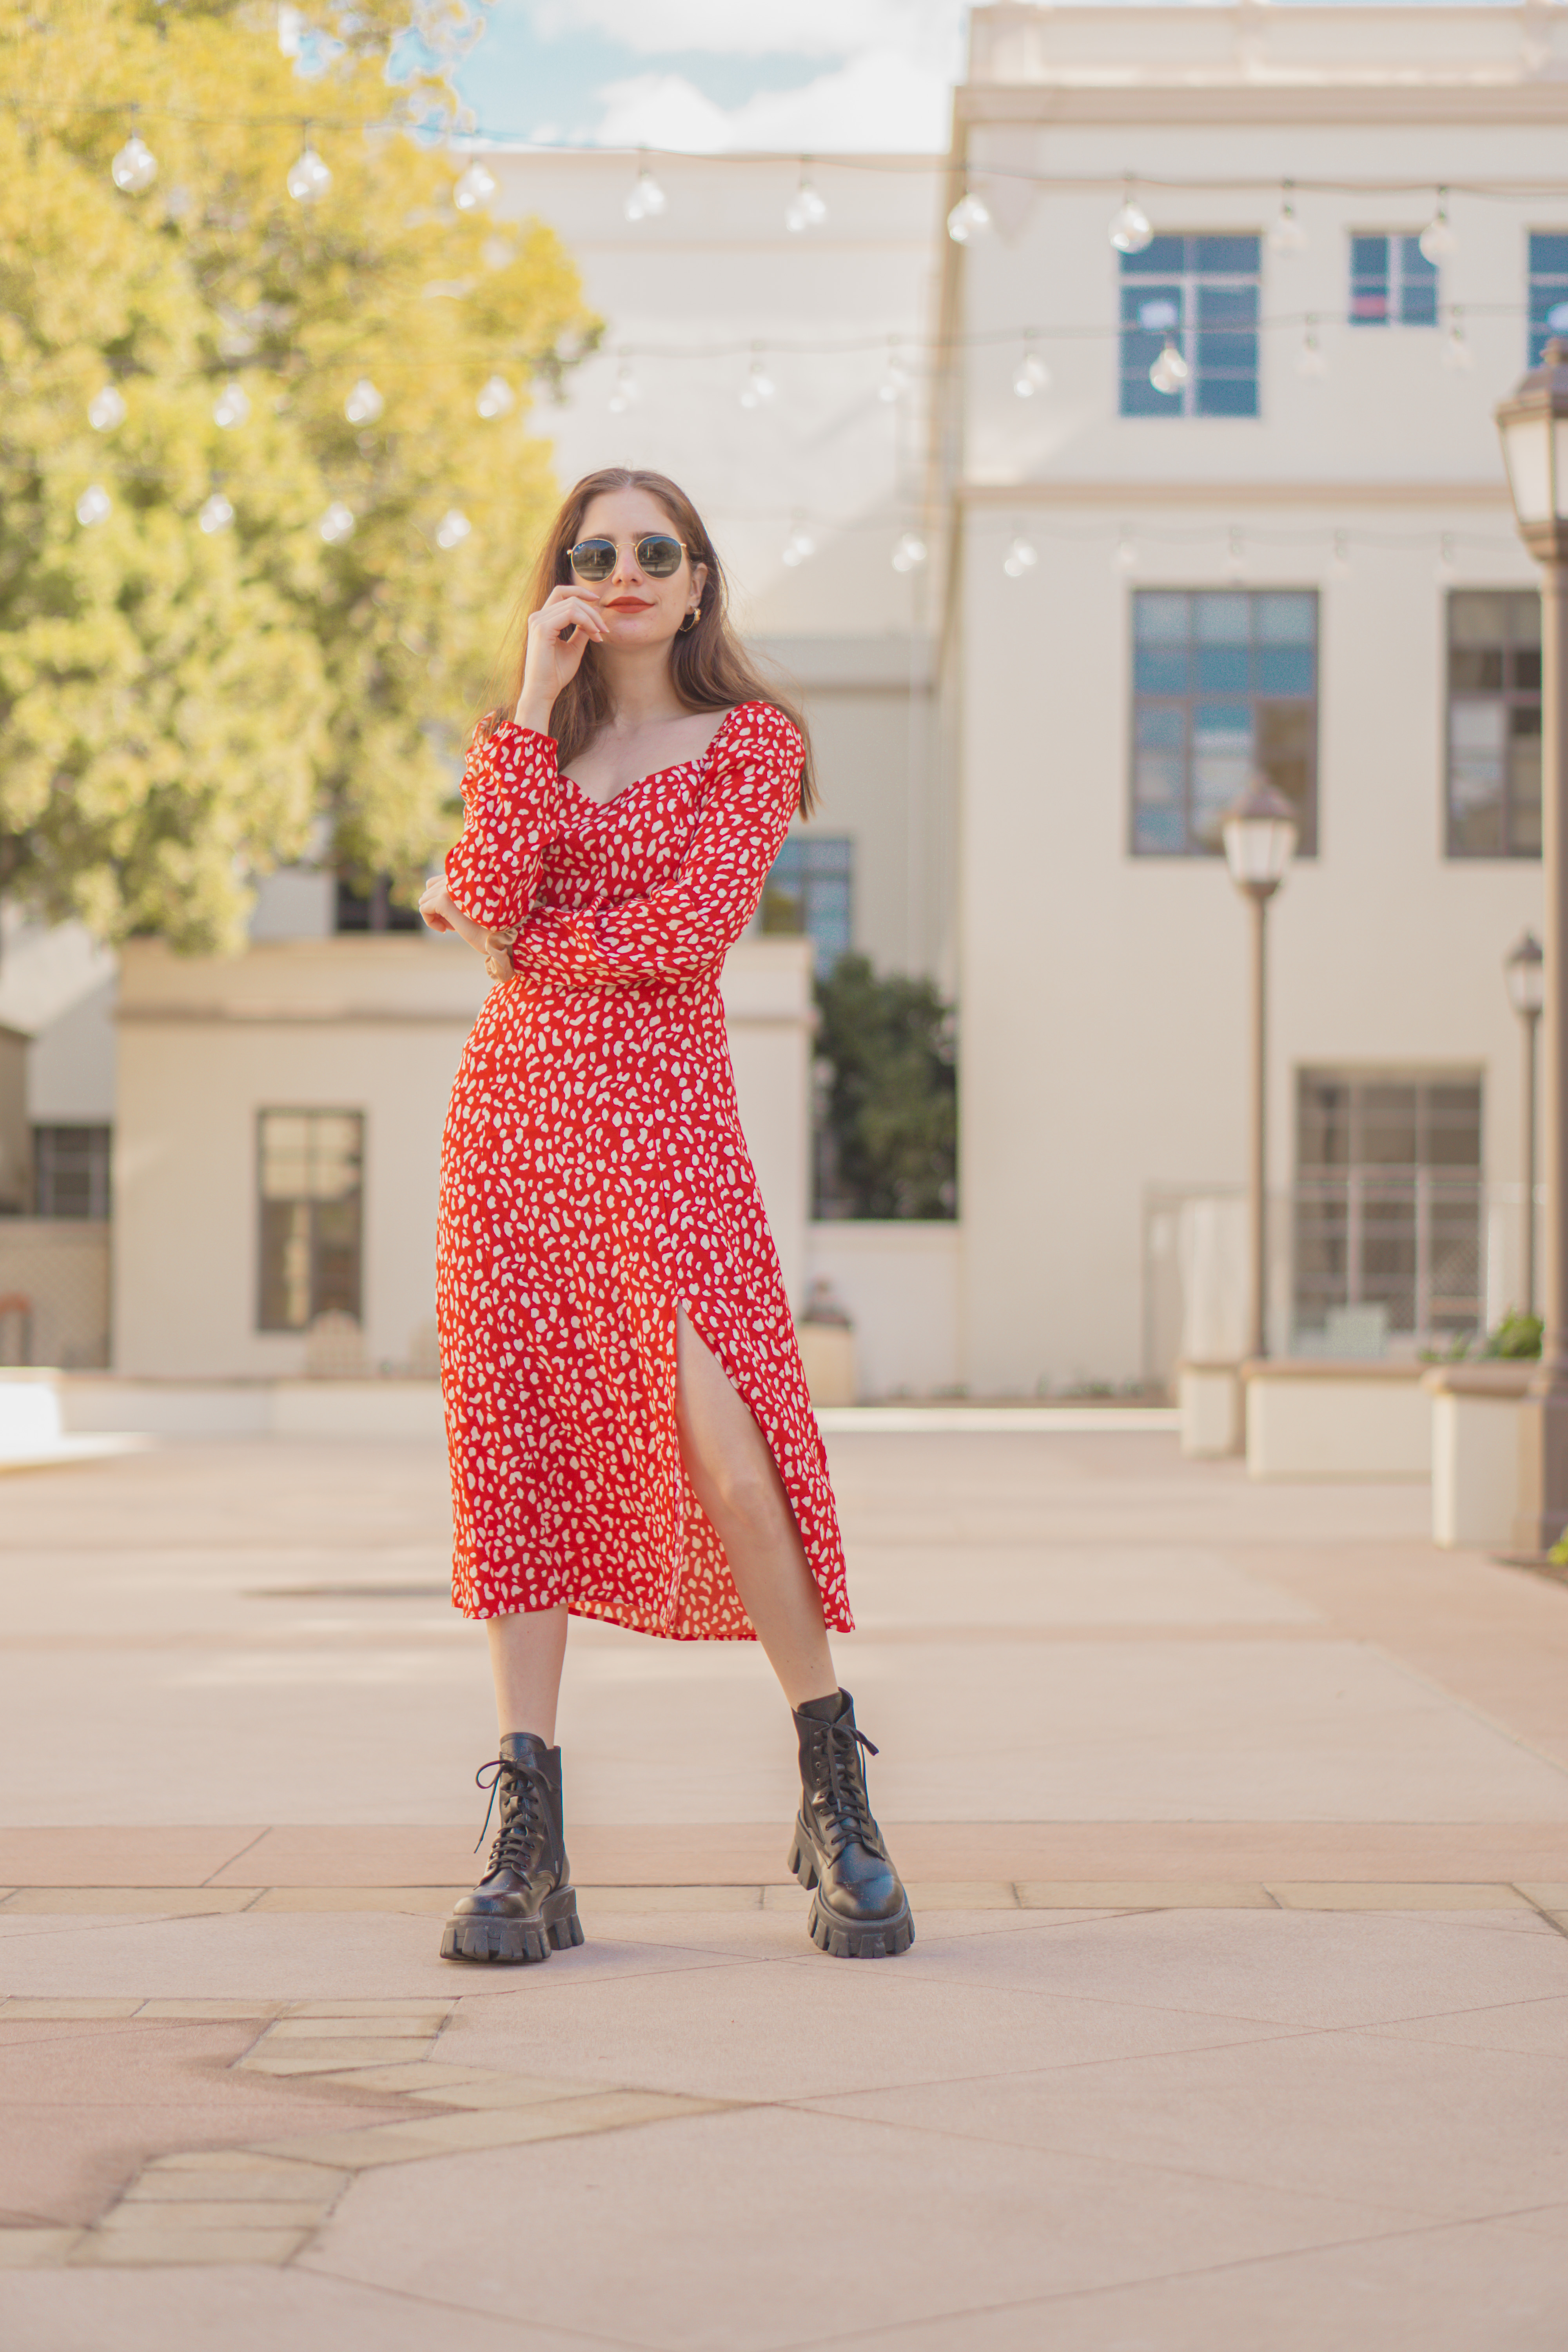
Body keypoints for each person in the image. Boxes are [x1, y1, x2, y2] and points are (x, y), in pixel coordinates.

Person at [418, 466, 912, 1966]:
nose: (623, 572)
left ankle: (833, 1788)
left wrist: (513, 935)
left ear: (699, 581)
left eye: (655, 551)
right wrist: (527, 698)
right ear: (562, 579)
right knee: (519, 1459)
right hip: (512, 1135)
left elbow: (678, 934)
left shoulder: (753, 743)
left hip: (665, 1138)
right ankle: (529, 1835)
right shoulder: (527, 748)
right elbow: (483, 880)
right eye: (593, 553)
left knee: (735, 1447)